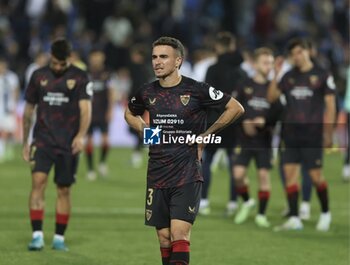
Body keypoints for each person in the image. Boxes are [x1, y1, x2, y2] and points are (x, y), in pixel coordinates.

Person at [125, 36, 244, 265]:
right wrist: (144, 127)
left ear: (178, 61)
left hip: (187, 172)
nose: (157, 62)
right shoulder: (147, 91)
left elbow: (235, 107)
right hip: (157, 172)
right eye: (154, 57)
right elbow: (130, 113)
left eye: (163, 57)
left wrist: (207, 134)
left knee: (179, 234)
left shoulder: (196, 90)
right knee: (163, 237)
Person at [22, 39, 92, 251]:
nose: (58, 67)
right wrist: (25, 141)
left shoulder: (80, 77)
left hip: (67, 143)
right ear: (50, 56)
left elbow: (85, 110)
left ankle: (59, 238)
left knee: (63, 190)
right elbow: (28, 111)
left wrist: (80, 136)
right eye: (54, 63)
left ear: (69, 59)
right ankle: (37, 235)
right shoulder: (38, 75)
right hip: (42, 141)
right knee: (38, 183)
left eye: (62, 64)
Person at [267, 38, 336, 231]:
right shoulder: (288, 76)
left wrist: (328, 133)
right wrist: (276, 73)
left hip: (312, 135)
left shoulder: (321, 75)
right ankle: (295, 218)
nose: (297, 57)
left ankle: (325, 213)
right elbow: (271, 97)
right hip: (291, 134)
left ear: (308, 52)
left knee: (316, 177)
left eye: (300, 52)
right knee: (290, 177)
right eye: (293, 54)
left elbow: (330, 105)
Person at [232, 47, 283, 228]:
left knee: (263, 176)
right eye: (264, 62)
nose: (268, 66)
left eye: (270, 63)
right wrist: (245, 121)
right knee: (238, 175)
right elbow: (233, 109)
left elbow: (278, 112)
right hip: (245, 140)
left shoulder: (273, 88)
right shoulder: (244, 84)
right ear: (255, 64)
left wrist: (265, 120)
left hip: (264, 141)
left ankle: (261, 214)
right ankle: (247, 202)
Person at [199, 31, 245, 216]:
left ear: (219, 47)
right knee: (235, 163)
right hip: (234, 123)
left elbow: (206, 96)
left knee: (206, 161)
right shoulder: (241, 71)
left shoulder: (213, 69)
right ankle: (233, 203)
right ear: (232, 47)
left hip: (214, 122)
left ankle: (203, 201)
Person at [85, 49, 115, 180]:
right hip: (89, 112)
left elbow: (112, 92)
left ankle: (102, 163)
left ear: (102, 58)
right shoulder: (86, 73)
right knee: (89, 141)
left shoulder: (107, 73)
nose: (96, 59)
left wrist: (110, 109)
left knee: (105, 141)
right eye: (94, 57)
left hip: (102, 111)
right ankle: (91, 170)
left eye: (98, 56)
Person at [0, 57, 20, 162]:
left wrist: (15, 104)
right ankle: (2, 151)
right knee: (2, 131)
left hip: (9, 107)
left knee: (9, 131)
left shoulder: (12, 77)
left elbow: (16, 90)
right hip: (0, 108)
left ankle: (9, 150)